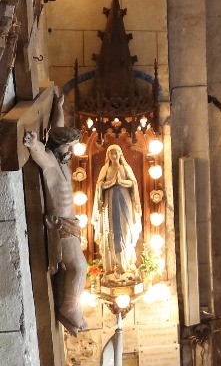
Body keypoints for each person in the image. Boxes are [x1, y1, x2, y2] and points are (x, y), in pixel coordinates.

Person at [24, 127, 88, 334]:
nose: (71, 152)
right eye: (69, 147)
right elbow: (40, 155)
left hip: (69, 222)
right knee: (78, 267)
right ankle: (70, 307)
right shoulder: (51, 160)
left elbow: (57, 126)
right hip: (60, 224)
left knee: (77, 267)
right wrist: (33, 143)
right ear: (60, 145)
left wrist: (58, 107)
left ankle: (70, 305)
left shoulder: (62, 164)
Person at [92, 145, 142, 277]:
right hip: (109, 203)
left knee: (125, 231)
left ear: (120, 154)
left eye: (116, 153)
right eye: (111, 153)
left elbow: (133, 183)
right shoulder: (105, 169)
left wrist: (121, 182)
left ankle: (125, 264)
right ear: (108, 155)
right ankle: (111, 266)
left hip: (125, 203)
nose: (114, 156)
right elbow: (100, 186)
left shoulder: (125, 168)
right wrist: (111, 183)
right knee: (111, 232)